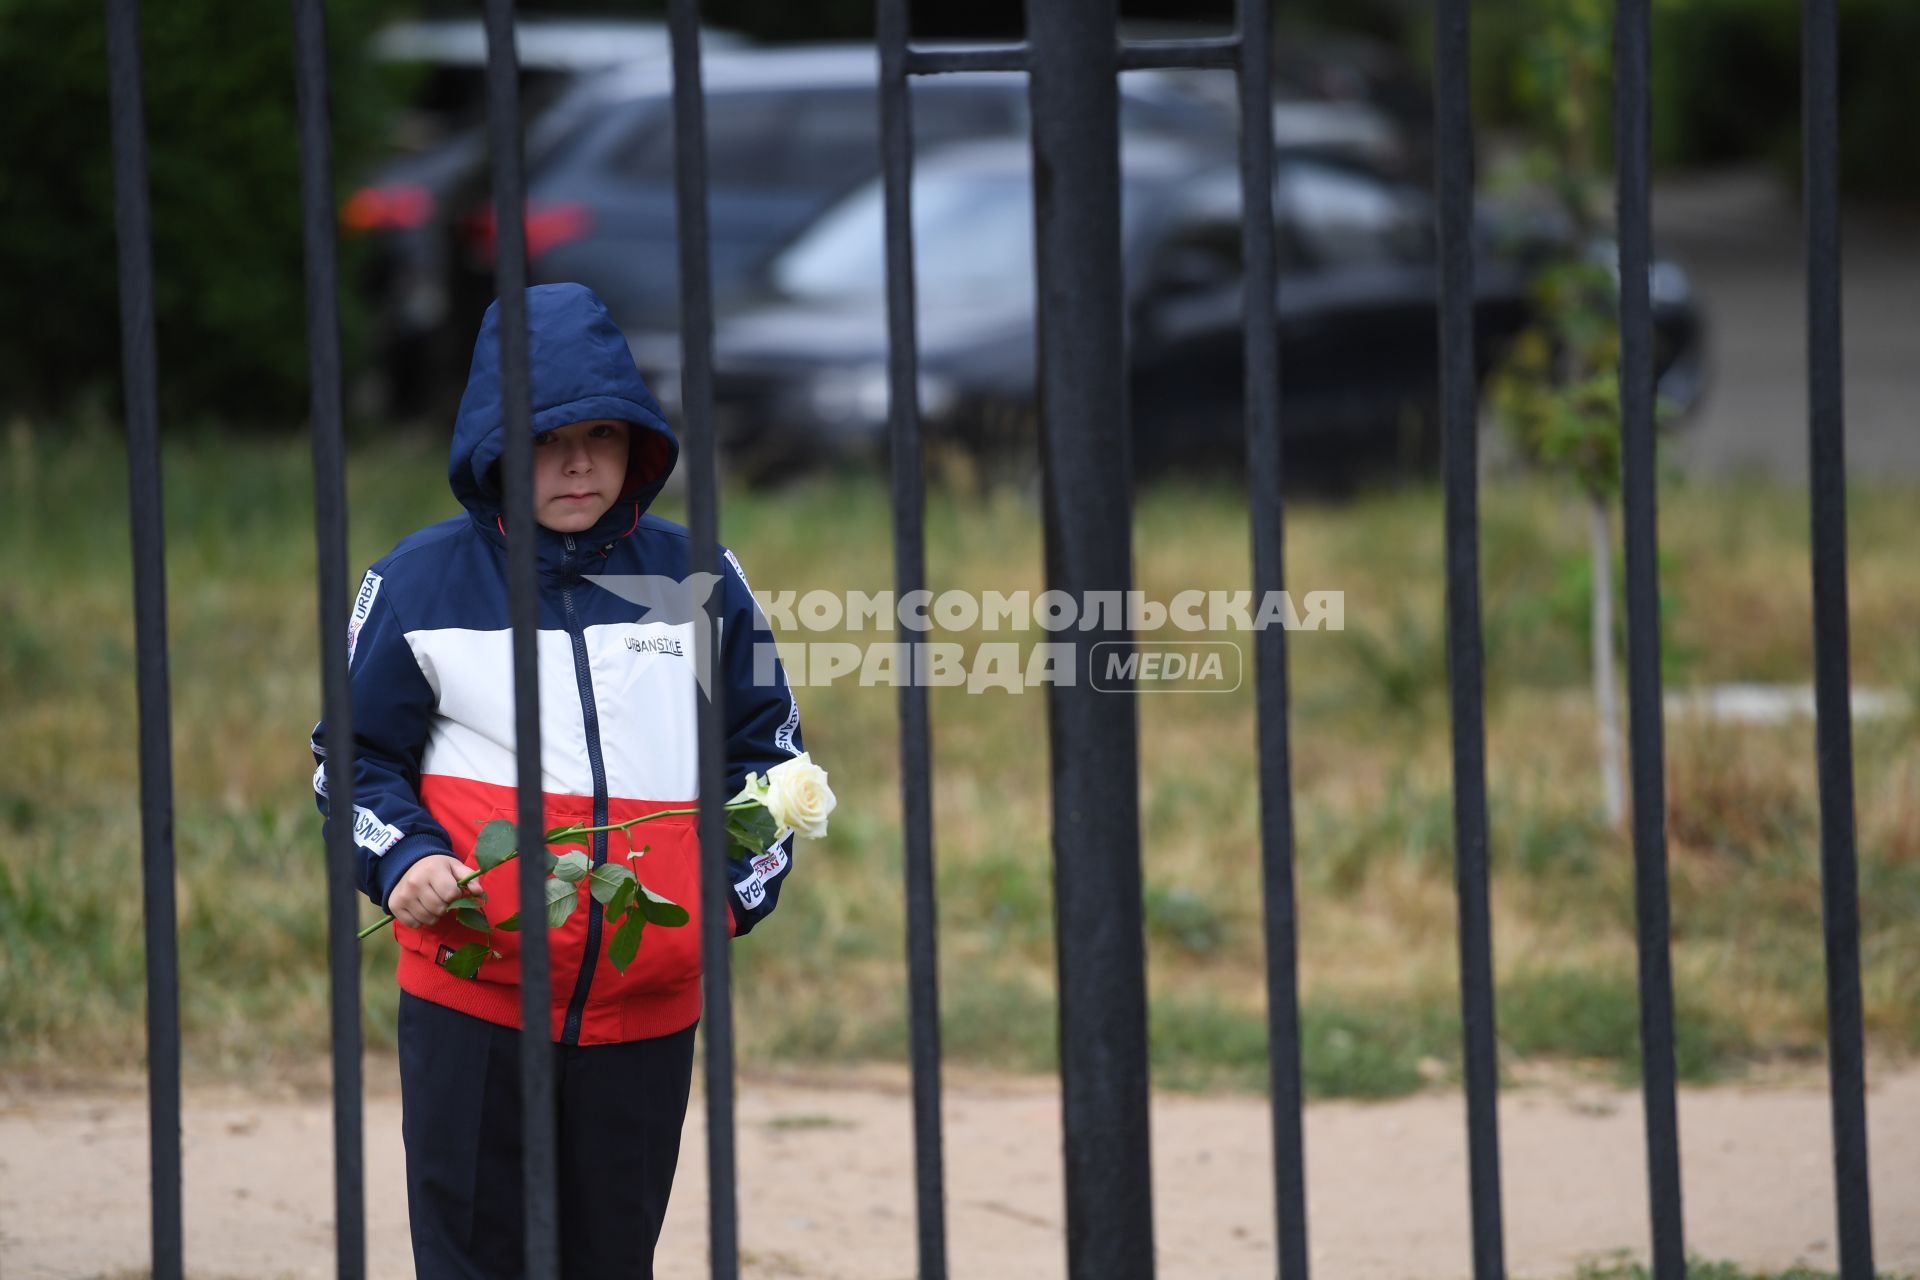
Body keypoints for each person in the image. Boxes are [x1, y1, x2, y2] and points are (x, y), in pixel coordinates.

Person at [309, 282, 804, 1278]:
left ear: (638, 443)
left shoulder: (702, 577)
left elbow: (771, 760)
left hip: (648, 1008)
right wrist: (402, 854)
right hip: (473, 1004)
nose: (578, 462)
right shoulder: (418, 586)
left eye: (601, 434)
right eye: (545, 437)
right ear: (495, 444)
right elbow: (352, 761)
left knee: (609, 1260)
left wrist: (726, 899)